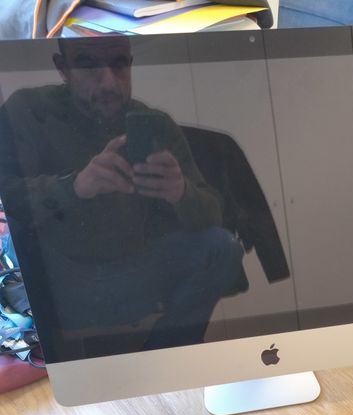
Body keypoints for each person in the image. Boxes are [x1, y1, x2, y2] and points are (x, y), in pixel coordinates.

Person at [0, 36, 244, 359]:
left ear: (130, 63)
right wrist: (75, 186)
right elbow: (10, 198)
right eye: (88, 65)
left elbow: (214, 215)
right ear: (63, 68)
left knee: (222, 247)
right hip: (62, 274)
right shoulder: (27, 111)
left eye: (118, 64)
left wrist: (181, 192)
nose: (109, 83)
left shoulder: (156, 124)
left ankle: (166, 356)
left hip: (133, 268)